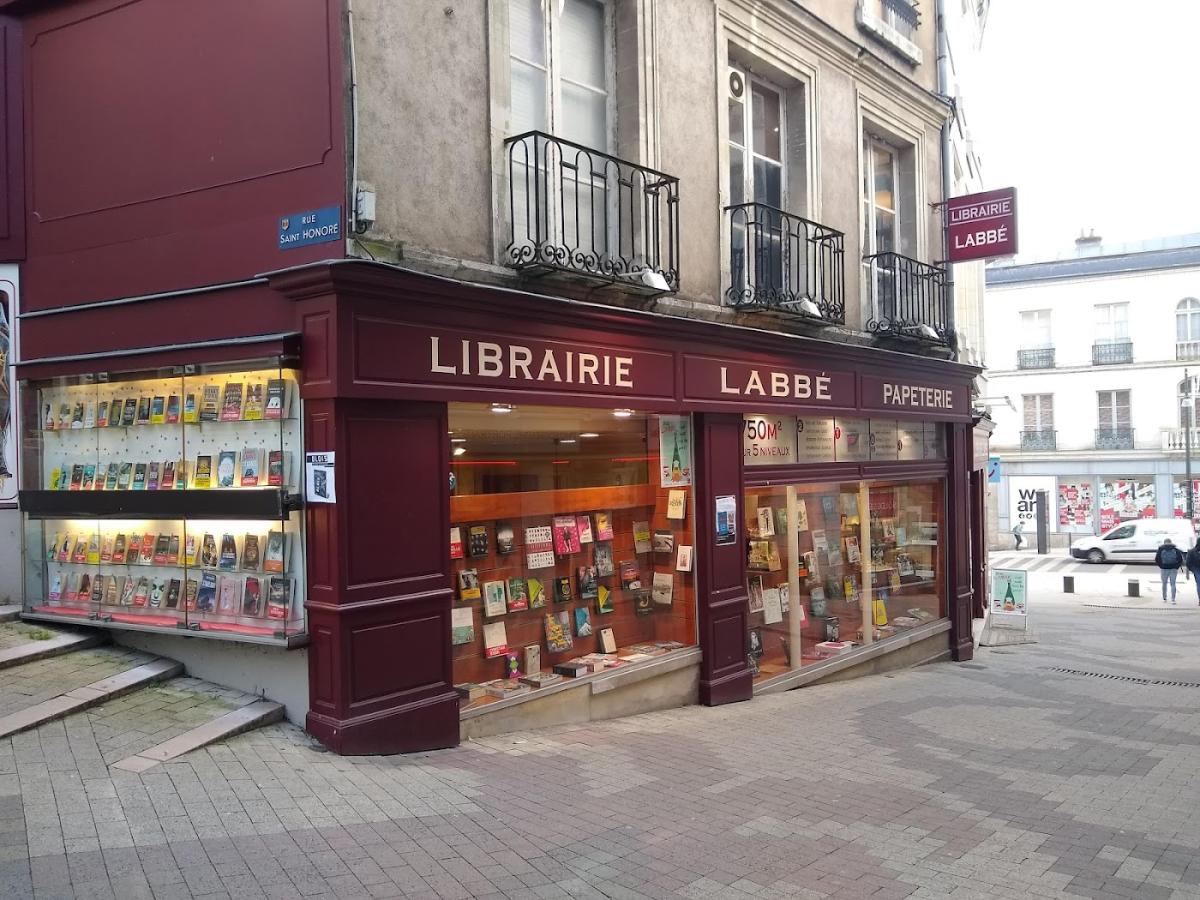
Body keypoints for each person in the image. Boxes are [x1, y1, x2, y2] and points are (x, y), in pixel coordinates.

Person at [1155, 537, 1186, 604]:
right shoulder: (1175, 549)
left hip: (1164, 569)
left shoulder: (1161, 549)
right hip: (1173, 569)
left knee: (1164, 583)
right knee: (1173, 584)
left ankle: (1164, 598)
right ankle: (1173, 599)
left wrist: (1161, 566)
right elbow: (1180, 560)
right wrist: (1176, 567)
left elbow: (1157, 559)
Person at [1187, 538, 1200, 604]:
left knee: (1199, 584)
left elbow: (1188, 562)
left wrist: (1192, 569)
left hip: (1196, 568)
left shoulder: (1191, 551)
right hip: (1196, 568)